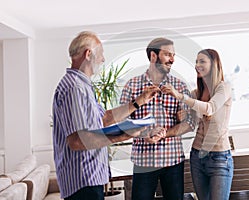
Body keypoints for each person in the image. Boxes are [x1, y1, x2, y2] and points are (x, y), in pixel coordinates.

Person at [52, 31, 162, 200]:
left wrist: (138, 102)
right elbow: (77, 141)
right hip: (82, 182)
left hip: (88, 180)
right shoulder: (74, 88)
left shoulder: (82, 85)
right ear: (88, 54)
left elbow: (103, 119)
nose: (103, 59)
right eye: (101, 54)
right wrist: (123, 135)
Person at [119, 37, 195, 200]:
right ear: (153, 56)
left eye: (173, 55)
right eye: (167, 54)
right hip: (143, 162)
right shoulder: (132, 86)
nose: (172, 60)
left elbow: (190, 123)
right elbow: (122, 122)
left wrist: (163, 134)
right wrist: (145, 133)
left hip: (172, 161)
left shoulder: (179, 87)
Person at [161, 48, 233, 200]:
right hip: (197, 157)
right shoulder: (196, 93)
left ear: (213, 64)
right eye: (196, 61)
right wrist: (165, 133)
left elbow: (209, 108)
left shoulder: (223, 88)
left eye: (202, 61)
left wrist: (180, 96)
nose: (197, 65)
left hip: (220, 157)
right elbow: (190, 125)